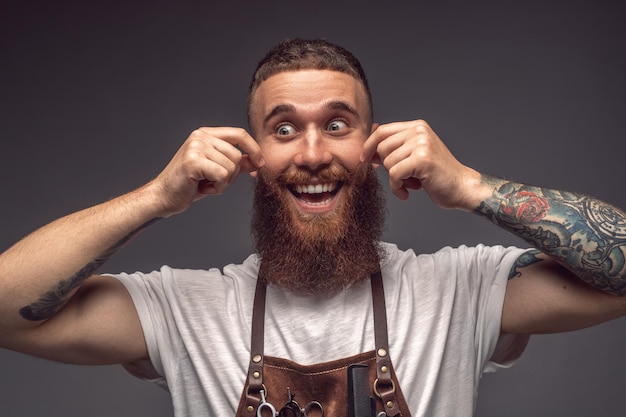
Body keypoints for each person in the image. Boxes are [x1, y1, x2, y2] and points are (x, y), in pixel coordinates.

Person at [0, 38, 625, 417]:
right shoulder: (183, 309)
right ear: (253, 159)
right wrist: (155, 198)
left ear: (372, 147)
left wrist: (469, 187)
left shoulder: (460, 291)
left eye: (336, 124)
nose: (311, 154)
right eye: (283, 129)